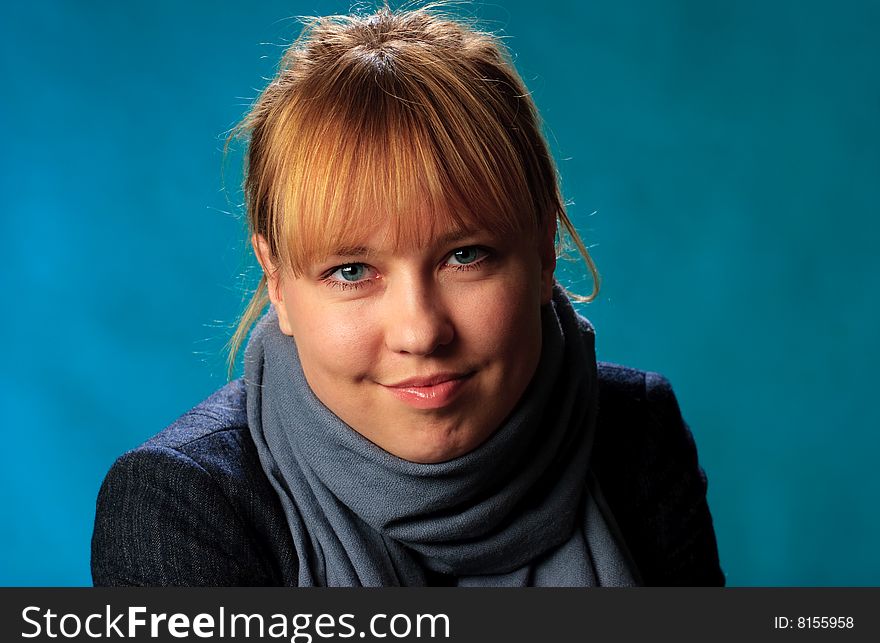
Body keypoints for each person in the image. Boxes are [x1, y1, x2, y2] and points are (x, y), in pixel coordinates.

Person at [91, 4, 724, 586]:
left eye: (464, 256)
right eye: (351, 271)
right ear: (277, 281)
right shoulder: (183, 505)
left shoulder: (635, 430)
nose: (421, 333)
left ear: (541, 253)